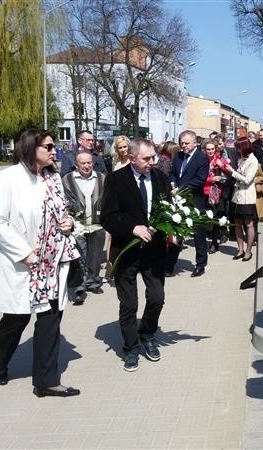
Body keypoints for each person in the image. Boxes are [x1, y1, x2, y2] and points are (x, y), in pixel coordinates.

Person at [0, 127, 80, 398]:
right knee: (17, 318)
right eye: (47, 147)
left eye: (53, 146)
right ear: (29, 148)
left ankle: (46, 381)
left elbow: (61, 213)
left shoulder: (53, 178)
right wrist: (24, 253)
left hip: (52, 263)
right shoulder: (8, 178)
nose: (53, 151)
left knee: (51, 319)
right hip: (23, 264)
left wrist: (68, 223)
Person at [100, 138, 170, 372]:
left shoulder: (160, 178)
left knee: (157, 297)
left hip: (154, 251)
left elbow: (168, 208)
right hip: (126, 251)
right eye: (146, 159)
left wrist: (170, 225)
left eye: (154, 158)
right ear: (131, 158)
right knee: (129, 304)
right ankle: (131, 348)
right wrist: (133, 228)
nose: (152, 162)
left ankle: (147, 334)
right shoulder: (116, 180)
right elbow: (108, 217)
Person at [62, 151, 107, 303]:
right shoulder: (67, 180)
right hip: (77, 225)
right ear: (76, 164)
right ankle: (79, 288)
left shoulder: (101, 178)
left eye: (89, 163)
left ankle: (93, 281)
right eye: (83, 163)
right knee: (79, 257)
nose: (87, 166)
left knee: (95, 256)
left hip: (97, 224)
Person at [169, 130, 210, 277]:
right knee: (175, 231)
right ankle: (170, 264)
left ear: (194, 143)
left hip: (194, 199)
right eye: (181, 143)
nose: (183, 146)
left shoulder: (202, 158)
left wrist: (181, 189)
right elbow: (173, 173)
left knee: (198, 233)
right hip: (178, 199)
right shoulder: (178, 156)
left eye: (186, 143)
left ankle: (200, 264)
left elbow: (200, 179)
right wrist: (173, 184)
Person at [221, 137, 258, 261]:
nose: (236, 150)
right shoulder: (241, 158)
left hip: (247, 196)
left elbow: (247, 180)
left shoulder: (253, 161)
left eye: (238, 147)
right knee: (237, 223)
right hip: (237, 196)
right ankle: (240, 249)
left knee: (248, 223)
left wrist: (232, 172)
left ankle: (248, 251)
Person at [202, 138, 229, 254]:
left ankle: (214, 242)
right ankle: (209, 241)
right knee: (207, 219)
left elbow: (229, 172)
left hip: (218, 193)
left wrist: (222, 166)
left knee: (216, 218)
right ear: (204, 150)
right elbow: (198, 177)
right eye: (208, 149)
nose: (210, 151)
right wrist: (211, 179)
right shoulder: (202, 160)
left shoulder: (219, 159)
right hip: (204, 191)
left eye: (212, 149)